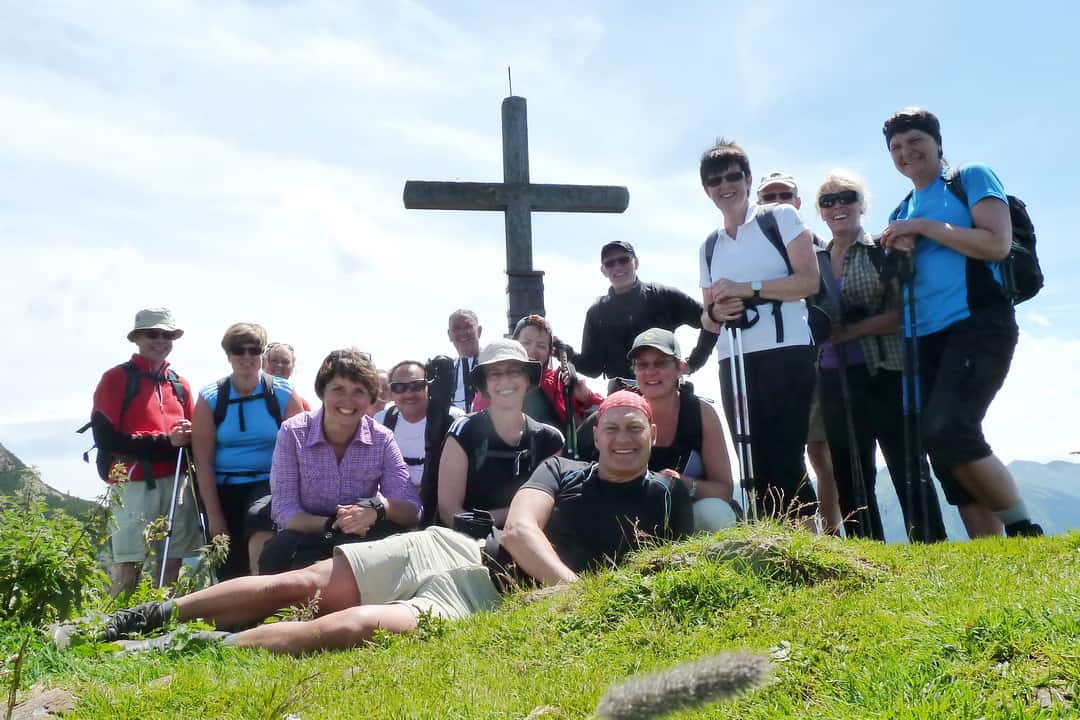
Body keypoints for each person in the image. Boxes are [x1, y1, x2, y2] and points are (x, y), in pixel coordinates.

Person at [73, 391, 691, 655]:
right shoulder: (561, 467)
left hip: (485, 599)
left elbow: (673, 568)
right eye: (611, 426)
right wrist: (574, 591)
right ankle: (140, 616)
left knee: (356, 626)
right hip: (456, 548)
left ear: (652, 434)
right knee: (303, 586)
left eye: (634, 427)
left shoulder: (667, 498)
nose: (622, 438)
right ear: (596, 433)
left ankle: (189, 645)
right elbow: (524, 530)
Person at [880, 107, 1041, 538]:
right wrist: (902, 253)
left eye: (915, 141)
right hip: (922, 336)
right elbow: (900, 288)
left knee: (950, 427)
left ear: (937, 143)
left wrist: (924, 227)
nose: (906, 152)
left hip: (978, 322)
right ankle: (987, 556)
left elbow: (996, 243)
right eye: (896, 147)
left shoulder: (970, 176)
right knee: (942, 448)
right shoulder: (902, 207)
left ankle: (1024, 531)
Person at [813, 170, 947, 542]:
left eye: (847, 197)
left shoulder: (880, 249)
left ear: (861, 204)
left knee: (906, 464)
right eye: (828, 201)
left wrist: (850, 331)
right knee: (849, 472)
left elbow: (907, 312)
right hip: (832, 378)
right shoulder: (816, 260)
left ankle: (930, 544)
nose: (838, 206)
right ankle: (866, 551)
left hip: (885, 370)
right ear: (820, 212)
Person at [697, 139, 820, 526]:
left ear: (748, 179)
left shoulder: (780, 217)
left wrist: (746, 289)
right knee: (752, 457)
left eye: (733, 176)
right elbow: (708, 316)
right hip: (733, 358)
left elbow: (808, 282)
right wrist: (718, 309)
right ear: (706, 189)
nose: (724, 186)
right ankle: (772, 548)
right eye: (714, 180)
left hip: (787, 352)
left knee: (785, 454)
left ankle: (808, 549)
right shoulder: (709, 246)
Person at [258, 349, 423, 573]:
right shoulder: (293, 432)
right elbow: (284, 509)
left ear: (371, 398)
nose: (348, 400)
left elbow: (411, 509)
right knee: (275, 552)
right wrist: (333, 524)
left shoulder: (382, 439)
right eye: (338, 389)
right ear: (322, 392)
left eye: (358, 392)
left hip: (363, 536)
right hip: (308, 535)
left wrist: (377, 508)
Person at [89, 308, 200, 595]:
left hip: (177, 483)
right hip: (133, 484)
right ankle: (117, 628)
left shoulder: (180, 384)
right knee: (129, 563)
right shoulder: (115, 379)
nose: (161, 340)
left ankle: (163, 625)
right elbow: (106, 438)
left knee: (172, 561)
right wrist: (166, 441)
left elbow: (194, 437)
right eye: (153, 334)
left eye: (167, 335)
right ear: (138, 338)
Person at [756, 171, 842, 533]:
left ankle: (831, 531)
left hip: (818, 362)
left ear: (798, 201)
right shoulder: (752, 251)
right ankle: (791, 533)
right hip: (770, 365)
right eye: (769, 196)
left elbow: (828, 302)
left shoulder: (818, 246)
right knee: (786, 448)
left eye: (784, 194)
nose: (777, 201)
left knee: (820, 451)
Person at [192, 323, 304, 579]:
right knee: (228, 564)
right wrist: (214, 517)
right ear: (228, 355)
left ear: (262, 354)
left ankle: (265, 609)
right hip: (224, 489)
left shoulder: (282, 393)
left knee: (261, 534)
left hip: (271, 484)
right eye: (238, 350)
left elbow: (302, 451)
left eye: (254, 350)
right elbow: (203, 461)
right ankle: (235, 617)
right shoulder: (210, 398)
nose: (246, 357)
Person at [437, 338, 564, 528]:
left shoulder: (551, 439)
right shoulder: (463, 431)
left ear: (527, 378)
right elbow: (450, 513)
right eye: (494, 374)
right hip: (469, 543)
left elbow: (554, 505)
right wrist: (514, 517)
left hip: (532, 540)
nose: (505, 381)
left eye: (514, 371)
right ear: (484, 384)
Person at [627, 328, 739, 531]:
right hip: (639, 519)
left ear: (679, 368)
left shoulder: (702, 413)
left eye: (660, 363)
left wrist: (685, 484)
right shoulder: (625, 414)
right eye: (642, 365)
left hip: (692, 512)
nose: (651, 371)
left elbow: (724, 490)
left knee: (716, 513)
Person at [568, 240, 718, 388]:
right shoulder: (597, 312)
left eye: (624, 260)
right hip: (622, 398)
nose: (618, 266)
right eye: (610, 263)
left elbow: (713, 319)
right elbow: (592, 368)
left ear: (636, 263)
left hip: (666, 392)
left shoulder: (663, 296)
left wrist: (694, 363)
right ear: (603, 270)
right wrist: (563, 351)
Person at [473, 314, 603, 431]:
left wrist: (586, 397)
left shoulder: (561, 382)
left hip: (558, 453)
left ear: (549, 352)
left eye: (541, 346)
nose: (532, 350)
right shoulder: (493, 385)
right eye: (526, 343)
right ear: (514, 344)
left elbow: (607, 411)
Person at [374, 360, 464, 490]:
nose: (409, 393)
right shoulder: (381, 421)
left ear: (428, 387)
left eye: (417, 386)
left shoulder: (453, 419)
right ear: (391, 392)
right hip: (394, 501)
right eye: (399, 387)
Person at [447, 309, 482, 411]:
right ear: (449, 335)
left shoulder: (492, 364)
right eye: (456, 328)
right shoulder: (448, 371)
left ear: (479, 331)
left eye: (468, 327)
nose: (463, 332)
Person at [263, 342, 312, 412]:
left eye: (285, 362)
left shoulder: (303, 405)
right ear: (264, 363)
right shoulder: (249, 395)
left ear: (292, 367)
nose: (279, 365)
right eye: (274, 360)